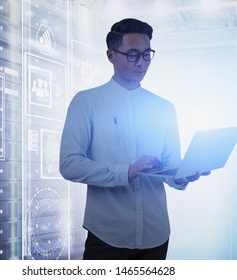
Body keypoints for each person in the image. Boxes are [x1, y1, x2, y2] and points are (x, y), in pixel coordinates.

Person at [59, 18, 208, 260]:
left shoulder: (164, 108)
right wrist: (126, 171)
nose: (141, 63)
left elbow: (170, 164)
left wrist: (183, 174)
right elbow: (69, 164)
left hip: (156, 234)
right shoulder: (86, 102)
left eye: (147, 54)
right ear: (110, 55)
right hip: (107, 235)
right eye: (132, 54)